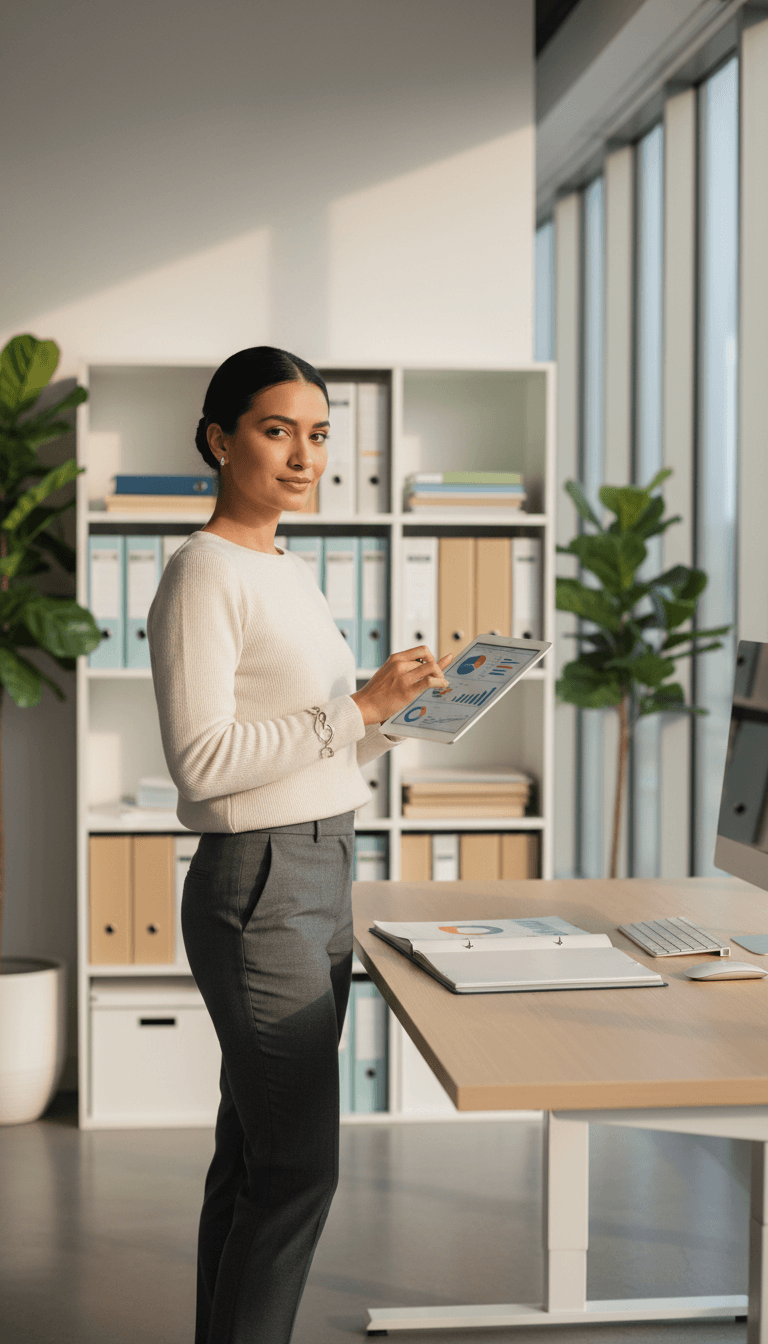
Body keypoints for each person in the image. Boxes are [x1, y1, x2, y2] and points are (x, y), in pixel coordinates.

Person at [146, 346, 451, 1344]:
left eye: (318, 435)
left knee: (253, 1158)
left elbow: (321, 730)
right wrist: (357, 707)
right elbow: (204, 760)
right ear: (219, 439)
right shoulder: (203, 572)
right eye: (278, 430)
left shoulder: (287, 568)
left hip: (325, 867)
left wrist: (400, 710)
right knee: (296, 1172)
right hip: (261, 882)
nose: (304, 455)